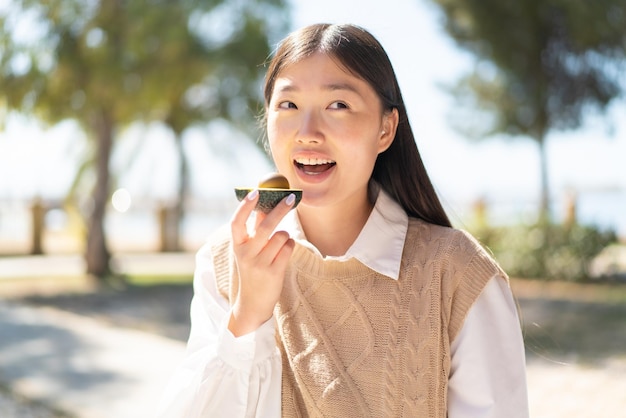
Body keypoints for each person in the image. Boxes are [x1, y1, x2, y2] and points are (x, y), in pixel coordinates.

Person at [157, 23, 529, 417]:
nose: (308, 133)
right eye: (288, 105)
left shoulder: (457, 275)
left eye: (338, 105)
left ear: (386, 129)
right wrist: (248, 316)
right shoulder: (225, 262)